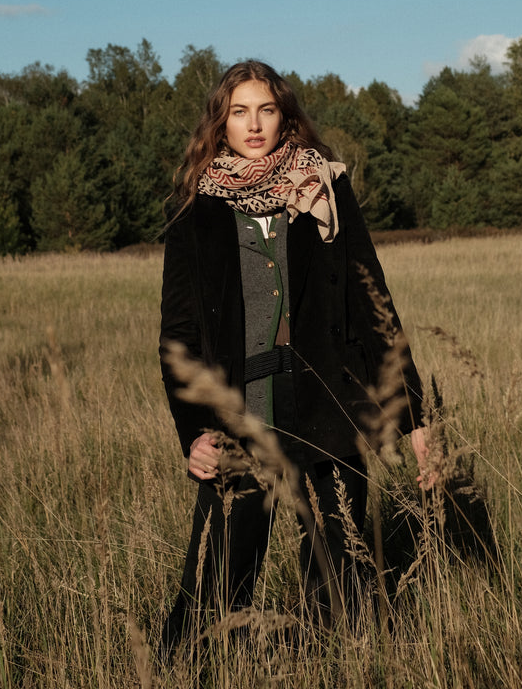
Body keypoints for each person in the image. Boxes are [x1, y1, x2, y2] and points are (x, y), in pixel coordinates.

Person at [158, 60, 428, 656]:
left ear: (285, 117)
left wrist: (416, 419)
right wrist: (192, 432)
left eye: (267, 110)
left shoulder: (324, 187)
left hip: (328, 405)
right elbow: (179, 334)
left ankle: (343, 665)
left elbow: (373, 302)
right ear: (221, 123)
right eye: (239, 112)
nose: (254, 125)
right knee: (216, 579)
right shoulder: (195, 209)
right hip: (238, 415)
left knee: (343, 576)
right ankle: (189, 667)